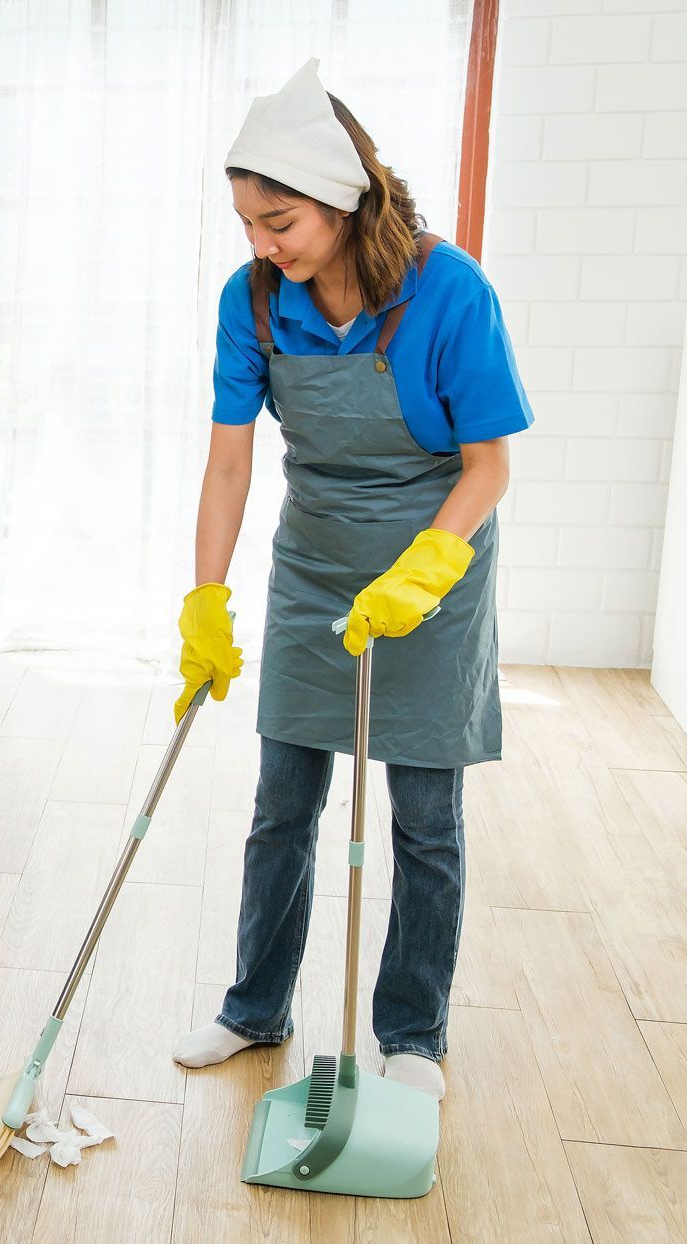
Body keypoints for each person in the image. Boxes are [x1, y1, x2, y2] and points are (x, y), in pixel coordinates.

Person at [170, 61, 530, 1100]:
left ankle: (412, 1033)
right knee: (283, 799)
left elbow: (490, 464)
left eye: (278, 221)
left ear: (342, 197)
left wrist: (427, 568)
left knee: (422, 813)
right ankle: (253, 1007)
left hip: (433, 569)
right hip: (317, 560)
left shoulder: (447, 288)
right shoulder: (255, 300)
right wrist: (206, 598)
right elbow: (231, 459)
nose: (262, 245)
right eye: (247, 222)